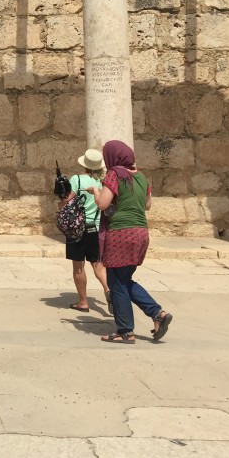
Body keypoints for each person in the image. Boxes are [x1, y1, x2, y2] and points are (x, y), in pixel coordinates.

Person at [84, 140, 173, 344]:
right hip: (140, 233)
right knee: (124, 280)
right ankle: (157, 314)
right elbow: (148, 205)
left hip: (121, 234)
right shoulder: (141, 177)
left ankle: (125, 331)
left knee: (116, 283)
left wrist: (96, 192)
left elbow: (102, 203)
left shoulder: (115, 174)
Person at [61, 148, 110, 312]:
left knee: (78, 266)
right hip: (95, 227)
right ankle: (108, 290)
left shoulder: (77, 180)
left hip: (78, 228)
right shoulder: (102, 182)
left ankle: (83, 301)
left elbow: (67, 200)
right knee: (98, 265)